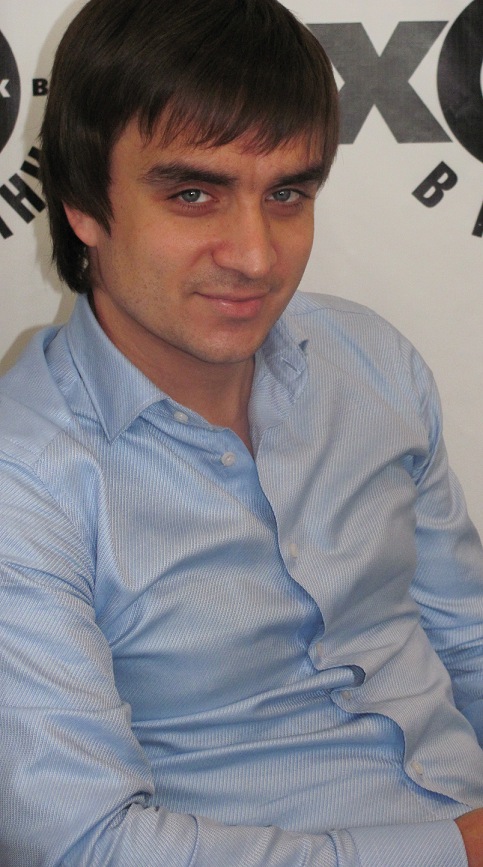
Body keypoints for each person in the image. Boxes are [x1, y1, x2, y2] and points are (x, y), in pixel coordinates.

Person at [0, 0, 482, 864]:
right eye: (193, 194)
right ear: (81, 203)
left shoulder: (370, 359)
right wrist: (450, 851)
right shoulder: (22, 477)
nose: (256, 257)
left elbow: (468, 641)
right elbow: (82, 843)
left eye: (286, 194)